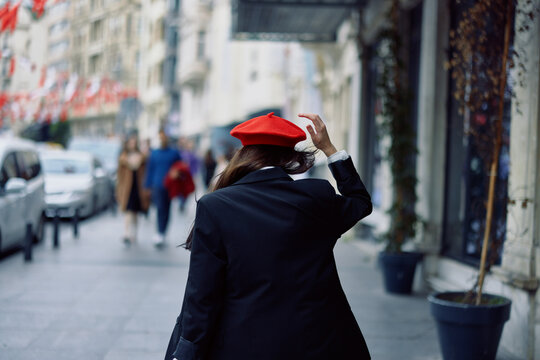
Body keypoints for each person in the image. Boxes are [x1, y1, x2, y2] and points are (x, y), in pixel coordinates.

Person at [165, 112, 373, 360]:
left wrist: (187, 350)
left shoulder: (216, 205)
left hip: (244, 344)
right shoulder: (316, 197)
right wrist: (329, 149)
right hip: (319, 342)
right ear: (289, 156)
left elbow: (202, 295)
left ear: (244, 152)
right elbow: (360, 202)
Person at [144, 129, 181, 247]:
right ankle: (159, 232)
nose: (162, 139)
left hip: (169, 186)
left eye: (164, 137)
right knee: (160, 208)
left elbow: (181, 167)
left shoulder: (174, 153)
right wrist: (147, 186)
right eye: (160, 137)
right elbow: (150, 170)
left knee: (167, 209)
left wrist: (177, 173)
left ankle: (163, 232)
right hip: (157, 185)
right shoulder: (154, 153)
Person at [116, 135, 150, 245]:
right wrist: (119, 188)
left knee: (135, 212)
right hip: (127, 188)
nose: (132, 144)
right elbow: (119, 174)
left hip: (138, 187)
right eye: (130, 142)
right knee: (128, 210)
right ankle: (126, 233)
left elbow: (145, 172)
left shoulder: (142, 157)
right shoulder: (123, 157)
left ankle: (134, 233)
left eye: (134, 142)